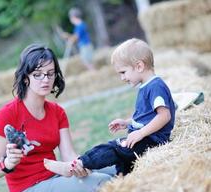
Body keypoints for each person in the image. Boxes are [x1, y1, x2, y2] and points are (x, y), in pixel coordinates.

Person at [0, 44, 114, 192]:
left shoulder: (57, 111)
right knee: (104, 181)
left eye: (50, 73)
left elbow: (68, 154)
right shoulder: (7, 114)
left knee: (117, 169)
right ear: (26, 78)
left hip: (56, 178)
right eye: (38, 74)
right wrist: (7, 163)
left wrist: (79, 165)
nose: (45, 79)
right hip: (28, 190)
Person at [44, 38, 176, 177]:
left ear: (139, 66)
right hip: (146, 138)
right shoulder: (147, 86)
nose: (122, 78)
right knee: (123, 161)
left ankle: (78, 164)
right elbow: (147, 116)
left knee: (113, 149)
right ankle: (121, 181)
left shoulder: (155, 86)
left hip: (152, 141)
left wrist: (141, 133)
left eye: (123, 72)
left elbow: (164, 116)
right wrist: (127, 123)